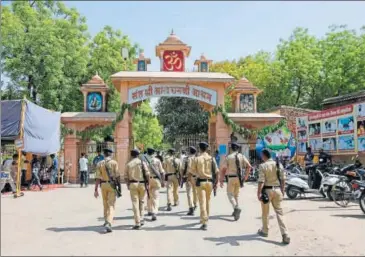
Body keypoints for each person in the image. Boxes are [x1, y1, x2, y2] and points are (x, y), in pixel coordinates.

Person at [257, 149, 290, 244]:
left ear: (264, 156)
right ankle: (285, 234)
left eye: (261, 155)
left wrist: (259, 193)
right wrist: (283, 191)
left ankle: (265, 230)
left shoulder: (263, 166)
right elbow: (283, 179)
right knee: (280, 213)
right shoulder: (279, 165)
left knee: (265, 212)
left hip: (267, 191)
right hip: (278, 190)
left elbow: (261, 181)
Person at [220, 142, 251, 221]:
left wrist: (221, 180)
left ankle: (236, 207)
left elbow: (223, 169)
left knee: (230, 194)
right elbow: (249, 166)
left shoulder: (228, 157)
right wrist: (246, 177)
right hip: (239, 178)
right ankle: (236, 211)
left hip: (231, 178)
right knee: (236, 195)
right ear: (238, 148)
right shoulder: (242, 156)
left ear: (231, 148)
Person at [191, 142, 219, 231]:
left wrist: (194, 179)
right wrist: (216, 183)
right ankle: (204, 218)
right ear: (206, 149)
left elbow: (192, 172)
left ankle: (204, 222)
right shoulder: (211, 158)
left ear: (199, 148)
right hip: (210, 182)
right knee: (207, 201)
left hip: (200, 182)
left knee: (202, 202)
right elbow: (216, 172)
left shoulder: (197, 159)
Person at [94, 148, 120, 233]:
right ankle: (109, 222)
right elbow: (117, 176)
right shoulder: (114, 163)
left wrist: (96, 190)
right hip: (111, 185)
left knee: (105, 203)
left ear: (104, 154)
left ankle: (106, 220)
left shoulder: (99, 163)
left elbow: (97, 177)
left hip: (103, 185)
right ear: (110, 154)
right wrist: (119, 187)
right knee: (111, 204)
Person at [124, 149, 150, 230]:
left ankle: (137, 222)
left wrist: (128, 184)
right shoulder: (142, 162)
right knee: (142, 202)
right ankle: (141, 219)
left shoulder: (128, 164)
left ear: (131, 155)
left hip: (133, 184)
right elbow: (147, 173)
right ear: (138, 155)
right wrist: (148, 183)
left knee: (135, 203)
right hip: (142, 184)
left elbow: (125, 176)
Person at [145, 147, 165, 221]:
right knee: (155, 196)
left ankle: (149, 210)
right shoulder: (157, 160)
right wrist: (163, 181)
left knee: (149, 195)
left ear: (147, 152)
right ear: (153, 153)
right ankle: (154, 212)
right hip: (156, 179)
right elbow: (162, 171)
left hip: (148, 179)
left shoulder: (144, 161)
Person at [181, 146, 199, 216]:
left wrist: (182, 176)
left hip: (188, 177)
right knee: (195, 192)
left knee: (189, 193)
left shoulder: (186, 159)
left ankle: (191, 207)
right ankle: (195, 204)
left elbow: (182, 169)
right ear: (195, 152)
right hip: (195, 177)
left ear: (189, 151)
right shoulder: (197, 159)